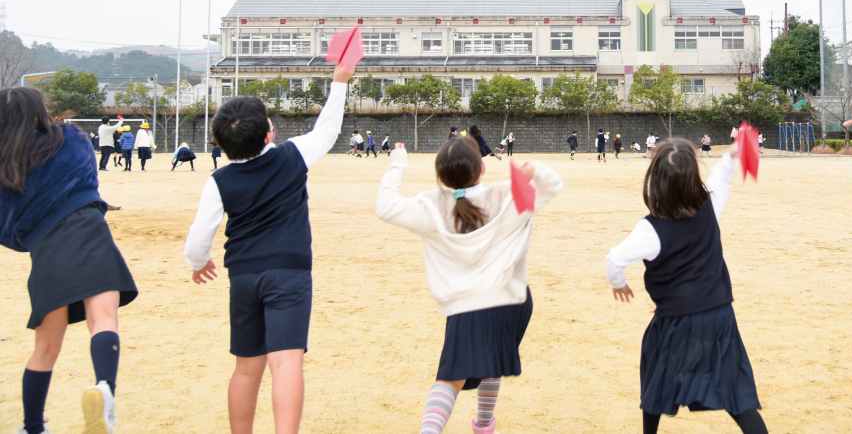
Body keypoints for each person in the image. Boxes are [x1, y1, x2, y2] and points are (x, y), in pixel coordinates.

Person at [183, 59, 355, 434]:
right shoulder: (291, 157)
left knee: (246, 368)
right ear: (268, 135)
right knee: (286, 363)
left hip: (243, 277)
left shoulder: (219, 180)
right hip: (289, 275)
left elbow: (199, 238)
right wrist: (339, 82)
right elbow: (327, 130)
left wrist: (199, 262)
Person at [374, 137, 563, 434]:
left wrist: (398, 164)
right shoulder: (511, 194)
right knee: (493, 362)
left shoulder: (430, 207)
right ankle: (484, 425)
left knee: (451, 378)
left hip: (467, 304)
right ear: (482, 168)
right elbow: (553, 186)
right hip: (512, 302)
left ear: (441, 177)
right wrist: (531, 169)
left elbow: (385, 207)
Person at [606, 139, 768, 434]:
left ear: (655, 180)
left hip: (676, 320)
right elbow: (721, 175)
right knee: (735, 388)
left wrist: (619, 283)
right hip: (720, 314)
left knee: (657, 375)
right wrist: (733, 153)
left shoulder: (650, 228)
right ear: (694, 175)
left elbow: (615, 259)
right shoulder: (709, 204)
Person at [0, 87, 138, 434]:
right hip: (88, 229)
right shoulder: (71, 137)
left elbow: (5, 228)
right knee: (103, 318)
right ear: (37, 113)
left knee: (45, 347)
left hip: (45, 248)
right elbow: (89, 180)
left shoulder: (5, 163)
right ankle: (104, 389)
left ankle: (33, 427)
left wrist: (29, 236)